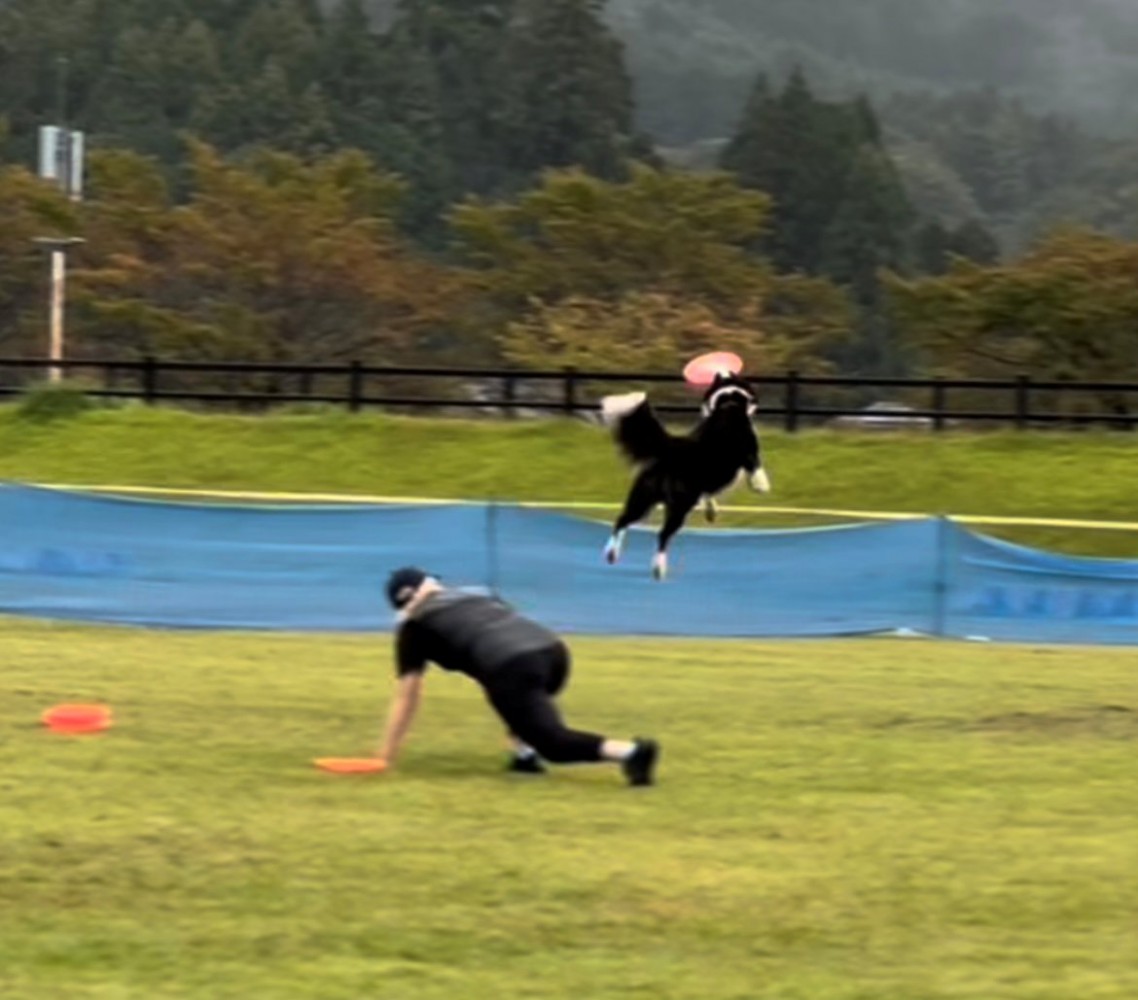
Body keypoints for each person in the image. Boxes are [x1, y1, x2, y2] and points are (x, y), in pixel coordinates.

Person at [376, 566, 660, 786]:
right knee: (516, 702)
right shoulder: (478, 593)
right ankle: (524, 756)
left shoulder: (414, 628)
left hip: (511, 665)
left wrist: (385, 755)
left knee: (553, 742)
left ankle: (632, 752)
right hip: (553, 652)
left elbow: (407, 695)